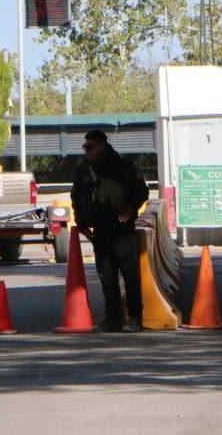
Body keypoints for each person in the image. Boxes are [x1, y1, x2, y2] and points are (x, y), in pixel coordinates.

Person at [71, 130, 150, 333]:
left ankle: (135, 317)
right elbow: (77, 199)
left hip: (122, 229)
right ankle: (113, 319)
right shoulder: (83, 171)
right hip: (100, 230)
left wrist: (131, 207)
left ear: (102, 146)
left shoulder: (123, 167)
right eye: (85, 147)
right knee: (107, 276)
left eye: (90, 147)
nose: (86, 151)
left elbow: (142, 191)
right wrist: (82, 225)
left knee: (130, 275)